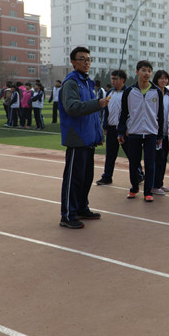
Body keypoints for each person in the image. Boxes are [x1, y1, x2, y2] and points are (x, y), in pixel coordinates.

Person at [59, 46, 108, 228]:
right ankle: (68, 215)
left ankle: (81, 208)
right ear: (73, 62)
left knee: (86, 178)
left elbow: (93, 114)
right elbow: (72, 107)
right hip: (77, 138)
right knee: (74, 178)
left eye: (88, 59)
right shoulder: (71, 83)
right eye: (82, 59)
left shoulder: (87, 83)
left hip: (89, 138)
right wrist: (98, 103)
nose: (86, 62)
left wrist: (98, 134)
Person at [117, 61, 164, 202]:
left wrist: (159, 135)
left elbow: (160, 115)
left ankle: (148, 192)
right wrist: (121, 131)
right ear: (137, 72)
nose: (146, 73)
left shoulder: (156, 92)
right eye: (144, 70)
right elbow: (123, 113)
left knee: (150, 164)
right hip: (134, 132)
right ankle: (134, 187)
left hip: (151, 133)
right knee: (134, 163)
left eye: (149, 71)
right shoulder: (129, 91)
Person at [96, 69, 144, 186]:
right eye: (112, 78)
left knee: (131, 154)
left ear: (122, 80)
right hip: (112, 128)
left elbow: (132, 112)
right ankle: (107, 176)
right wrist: (105, 126)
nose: (113, 81)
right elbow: (106, 111)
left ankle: (139, 174)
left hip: (125, 130)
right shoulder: (109, 93)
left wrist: (128, 128)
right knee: (110, 155)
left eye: (115, 78)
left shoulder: (129, 93)